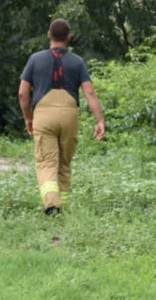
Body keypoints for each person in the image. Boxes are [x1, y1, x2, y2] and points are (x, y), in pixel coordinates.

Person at [18, 19, 105, 214]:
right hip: (69, 114)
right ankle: (62, 206)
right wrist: (99, 120)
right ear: (68, 38)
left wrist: (28, 117)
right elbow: (89, 93)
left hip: (43, 113)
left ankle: (52, 205)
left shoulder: (35, 59)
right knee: (64, 163)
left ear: (49, 35)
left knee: (47, 162)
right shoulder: (77, 61)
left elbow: (23, 93)